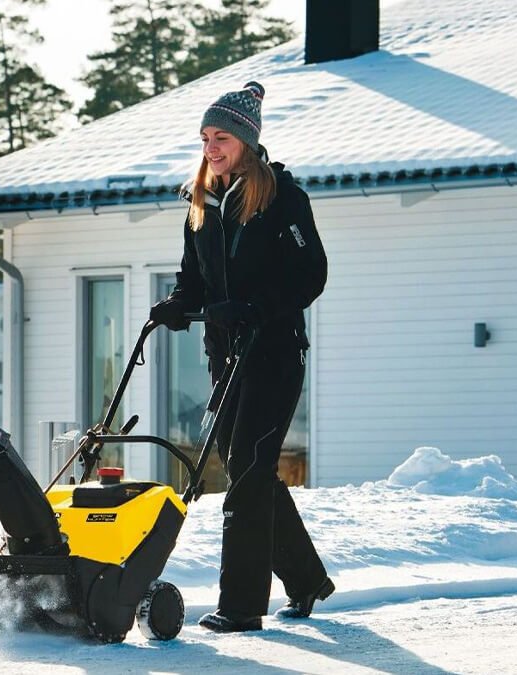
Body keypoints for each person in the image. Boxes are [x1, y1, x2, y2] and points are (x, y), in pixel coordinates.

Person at [149, 81, 335, 633]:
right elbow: (194, 279)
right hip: (226, 358)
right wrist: (178, 306)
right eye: (206, 137)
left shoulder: (282, 198)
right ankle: (305, 580)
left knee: (249, 476)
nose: (211, 147)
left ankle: (242, 606)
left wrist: (256, 308)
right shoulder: (200, 199)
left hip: (274, 355)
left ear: (247, 142)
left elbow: (311, 274)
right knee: (245, 468)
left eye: (222, 137)